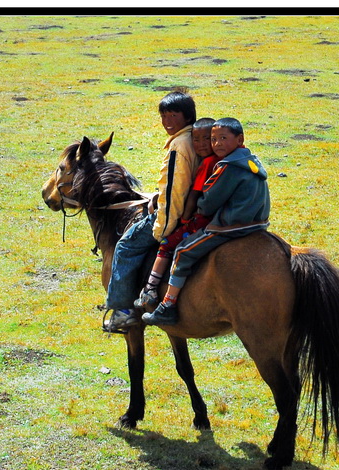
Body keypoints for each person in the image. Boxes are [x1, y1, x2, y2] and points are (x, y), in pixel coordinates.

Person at [142, 117, 270, 326]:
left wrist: (195, 208)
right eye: (214, 139)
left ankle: (168, 305)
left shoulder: (227, 167)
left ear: (239, 139)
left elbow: (208, 204)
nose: (217, 144)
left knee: (183, 251)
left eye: (223, 138)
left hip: (231, 226)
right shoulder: (249, 160)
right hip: (258, 223)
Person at [103, 89, 200, 333]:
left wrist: (162, 228)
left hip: (172, 215)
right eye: (163, 116)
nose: (167, 122)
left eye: (173, 115)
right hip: (192, 208)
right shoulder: (195, 137)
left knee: (125, 246)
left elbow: (175, 191)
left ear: (187, 117)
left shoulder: (178, 145)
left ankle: (124, 312)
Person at [134, 118, 219, 308]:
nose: (200, 144)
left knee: (167, 244)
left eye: (207, 139)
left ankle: (150, 289)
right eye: (196, 140)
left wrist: (186, 218)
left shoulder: (207, 164)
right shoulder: (223, 158)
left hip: (200, 218)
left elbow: (193, 195)